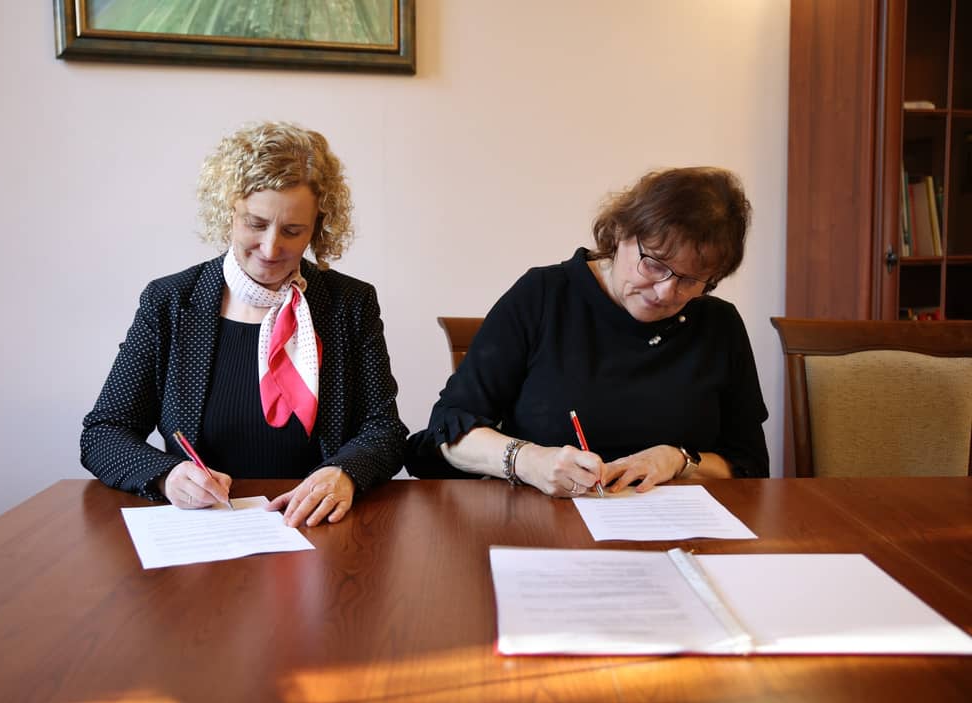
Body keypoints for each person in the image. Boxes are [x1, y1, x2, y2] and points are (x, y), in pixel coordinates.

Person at [82, 121, 407, 526]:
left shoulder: (350, 304)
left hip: (315, 526)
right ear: (228, 212)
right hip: (205, 528)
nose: (271, 248)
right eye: (255, 224)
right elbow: (104, 432)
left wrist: (345, 473)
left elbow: (385, 430)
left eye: (293, 230)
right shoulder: (171, 302)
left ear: (317, 228)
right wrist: (167, 475)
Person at [405, 166, 768, 495]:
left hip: (679, 532)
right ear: (621, 232)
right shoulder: (544, 296)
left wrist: (679, 461)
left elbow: (748, 464)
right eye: (654, 265)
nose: (665, 292)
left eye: (690, 280)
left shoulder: (718, 324)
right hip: (544, 526)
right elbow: (447, 430)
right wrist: (528, 461)